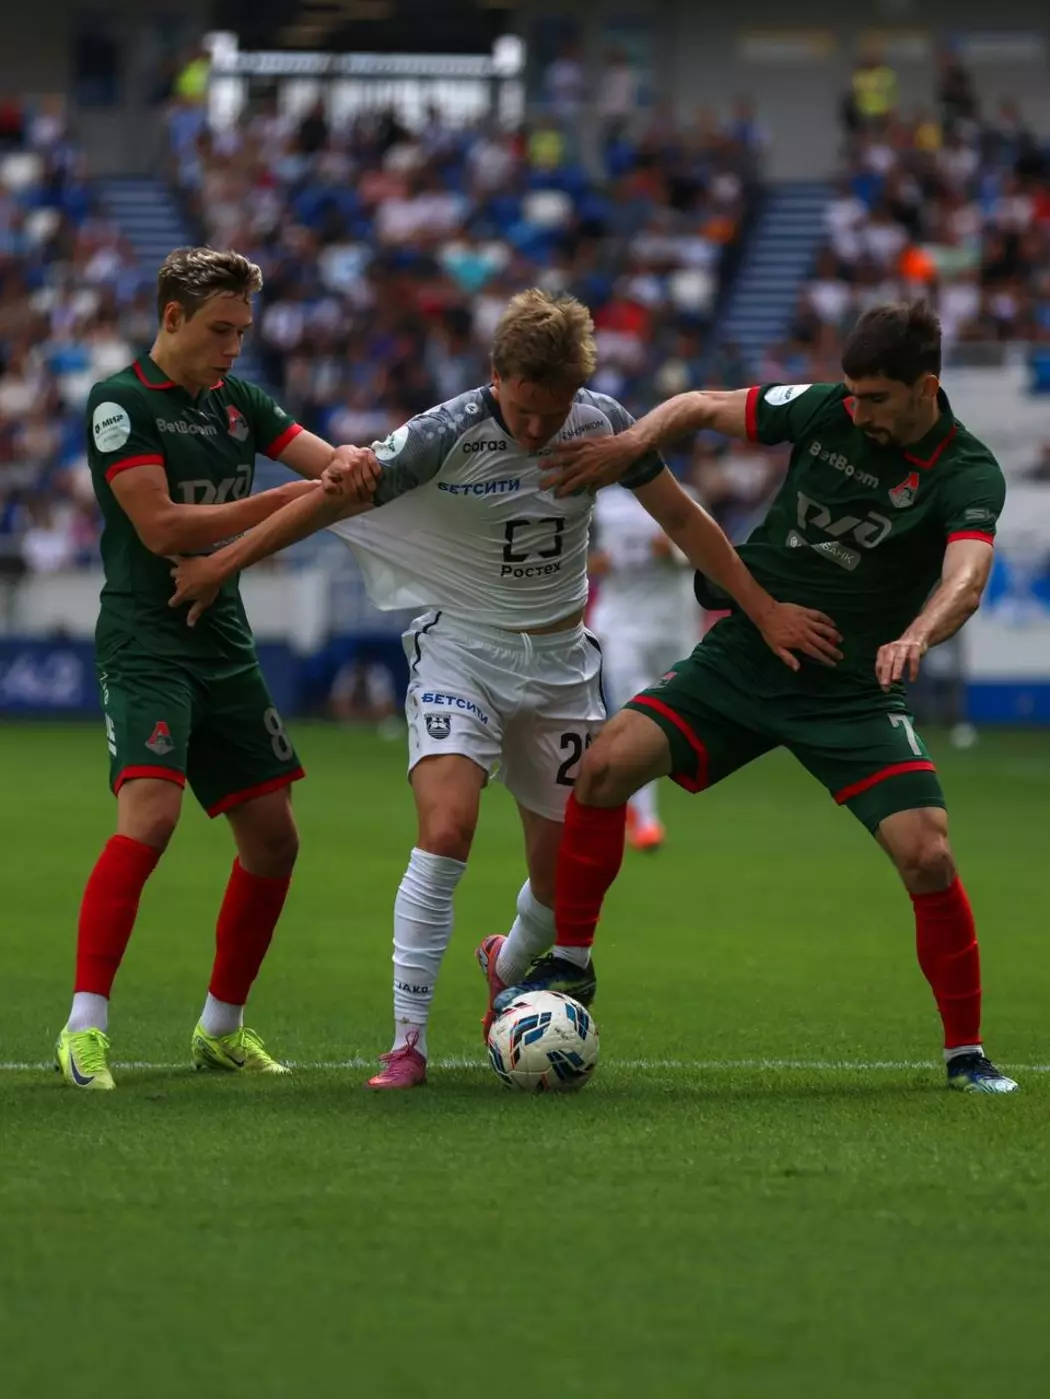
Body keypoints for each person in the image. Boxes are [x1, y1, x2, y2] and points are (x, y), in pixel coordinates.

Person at [167, 289, 840, 1088]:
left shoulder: (602, 424)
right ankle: (407, 1042)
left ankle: (507, 964)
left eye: (552, 413)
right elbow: (327, 500)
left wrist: (762, 609)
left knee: (563, 881)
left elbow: (684, 520)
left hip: (560, 666)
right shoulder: (446, 431)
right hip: (462, 653)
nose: (536, 429)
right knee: (446, 829)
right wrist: (224, 562)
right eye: (522, 411)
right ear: (496, 378)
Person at [501, 300, 1018, 1095]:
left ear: (926, 388)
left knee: (929, 854)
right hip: (747, 653)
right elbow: (699, 405)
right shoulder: (826, 409)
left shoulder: (967, 472)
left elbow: (968, 576)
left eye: (876, 399)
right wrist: (635, 443)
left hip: (850, 689)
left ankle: (967, 1054)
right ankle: (571, 960)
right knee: (603, 767)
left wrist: (918, 632)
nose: (858, 412)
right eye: (853, 394)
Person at [55, 246, 369, 1091]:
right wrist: (293, 498)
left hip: (222, 638)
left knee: (275, 839)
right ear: (172, 318)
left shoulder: (240, 403)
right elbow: (162, 528)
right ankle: (84, 1027)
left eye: (243, 332)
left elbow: (327, 462)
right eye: (221, 330)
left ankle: (220, 1027)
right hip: (147, 638)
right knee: (150, 817)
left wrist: (348, 462)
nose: (233, 347)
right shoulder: (120, 402)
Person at [588, 484, 698, 851]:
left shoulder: (684, 496)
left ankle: (619, 791)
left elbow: (715, 556)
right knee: (635, 715)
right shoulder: (599, 505)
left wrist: (676, 552)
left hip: (673, 629)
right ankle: (644, 818)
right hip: (621, 625)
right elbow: (571, 555)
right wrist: (592, 564)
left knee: (670, 724)